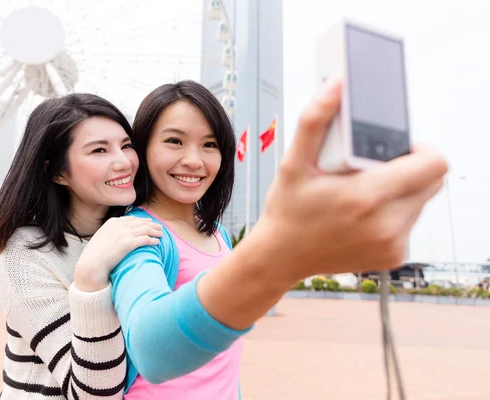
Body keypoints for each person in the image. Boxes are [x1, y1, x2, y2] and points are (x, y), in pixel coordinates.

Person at [109, 79, 448, 399]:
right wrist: (282, 253)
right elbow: (150, 350)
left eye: (210, 144)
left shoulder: (214, 232)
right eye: (174, 141)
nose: (195, 160)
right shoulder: (139, 233)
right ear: (142, 149)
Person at [0, 93, 163, 400]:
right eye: (99, 150)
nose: (123, 162)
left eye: (126, 145)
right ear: (57, 172)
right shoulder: (22, 253)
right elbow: (94, 394)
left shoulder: (137, 232)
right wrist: (91, 278)